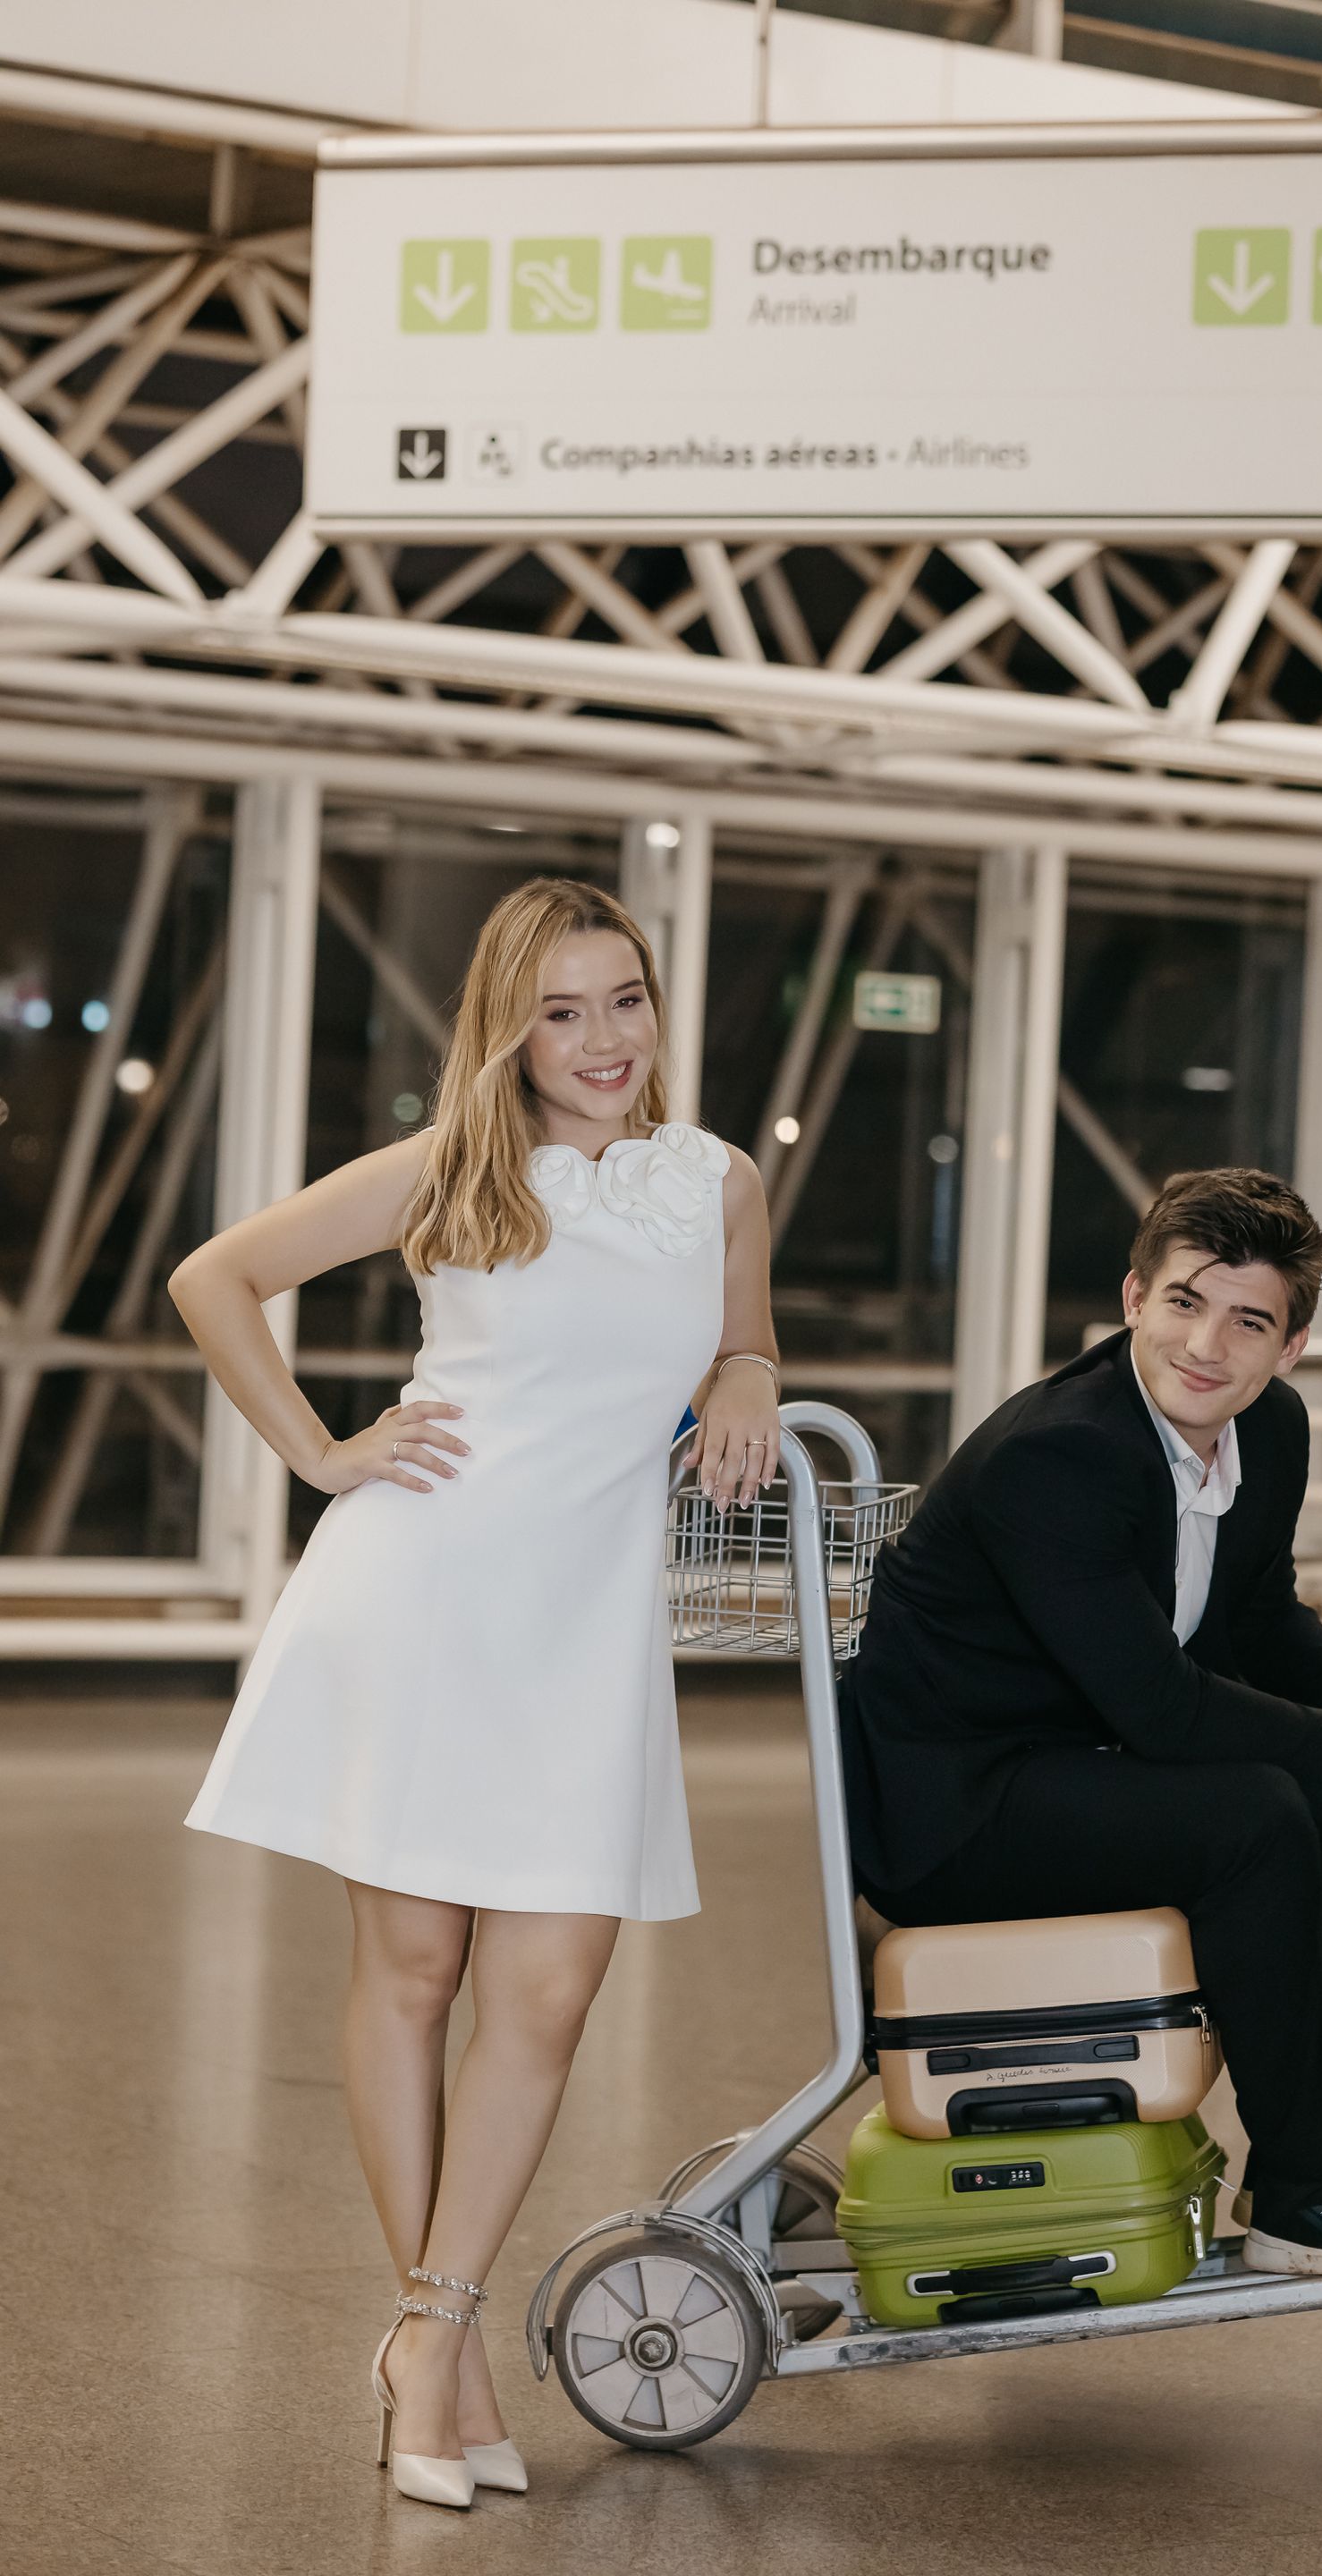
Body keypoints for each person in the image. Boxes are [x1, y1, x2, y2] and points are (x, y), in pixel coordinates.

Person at [174, 877, 779, 2510]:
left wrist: (746, 1372)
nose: (602, 1040)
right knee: (419, 1968)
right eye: (561, 1012)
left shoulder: (717, 1179)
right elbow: (215, 1277)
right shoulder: (456, 1167)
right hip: (426, 1593)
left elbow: (743, 1341)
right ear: (511, 1030)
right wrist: (321, 1453)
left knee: (550, 1993)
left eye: (625, 1000)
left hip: (588, 1628)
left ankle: (424, 2342)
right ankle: (442, 2342)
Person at [841, 1166, 1322, 2286]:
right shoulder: (1062, 1453)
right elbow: (1161, 1705)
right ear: (1135, 1296)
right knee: (1256, 1813)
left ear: (1291, 1348)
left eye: (1250, 1322)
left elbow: (1260, 1615)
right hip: (959, 1811)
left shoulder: (1270, 1428)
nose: (1207, 1346)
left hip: (1080, 1759)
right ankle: (1306, 2197)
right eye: (1186, 1303)